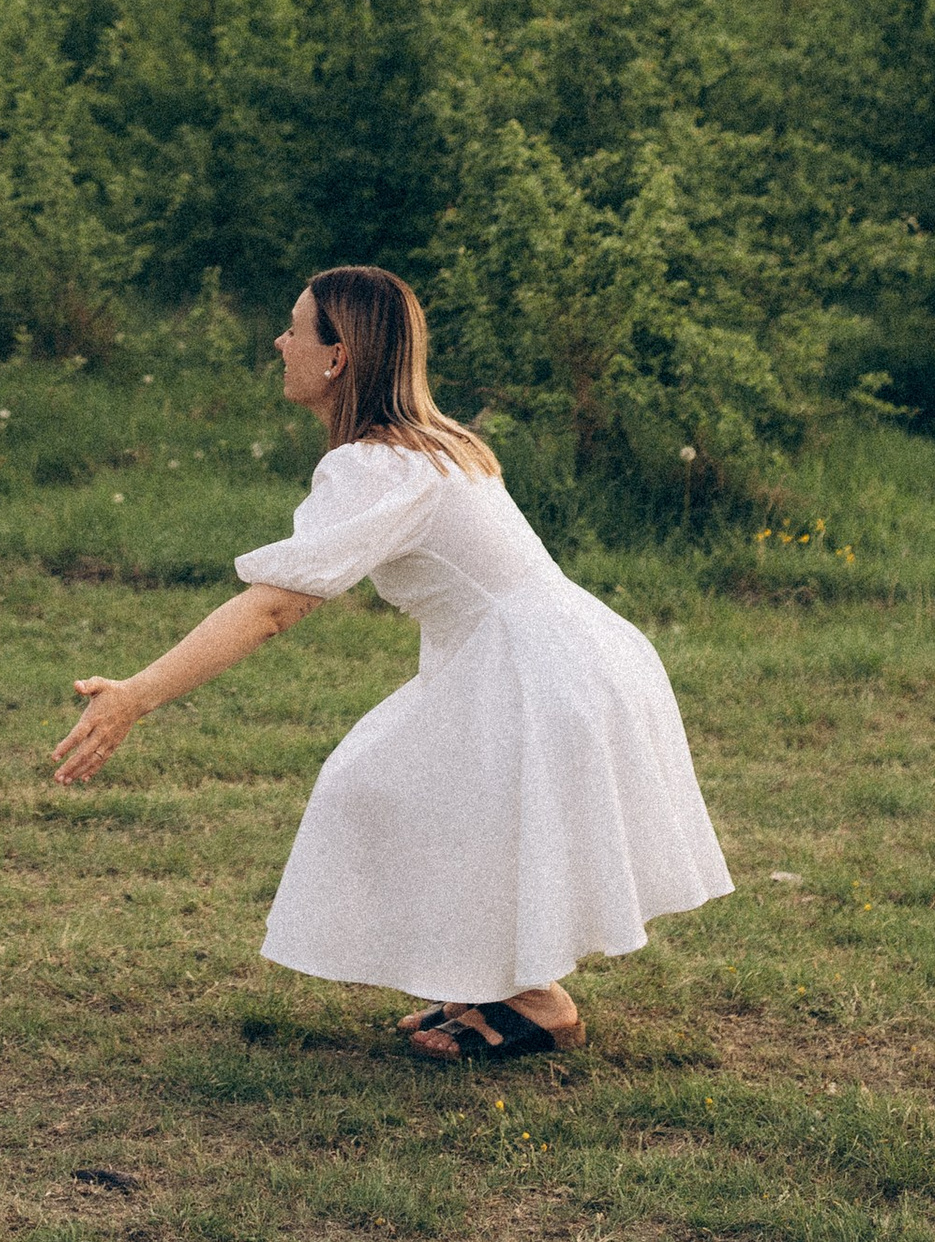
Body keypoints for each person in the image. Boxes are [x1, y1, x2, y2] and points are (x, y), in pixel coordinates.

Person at [52, 264, 731, 1059]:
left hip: (538, 670)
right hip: (564, 651)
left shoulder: (377, 464)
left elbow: (274, 607)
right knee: (400, 789)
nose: (279, 341)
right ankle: (498, 985)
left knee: (397, 790)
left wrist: (135, 695)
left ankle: (535, 1001)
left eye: (295, 328)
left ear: (337, 357)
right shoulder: (431, 447)